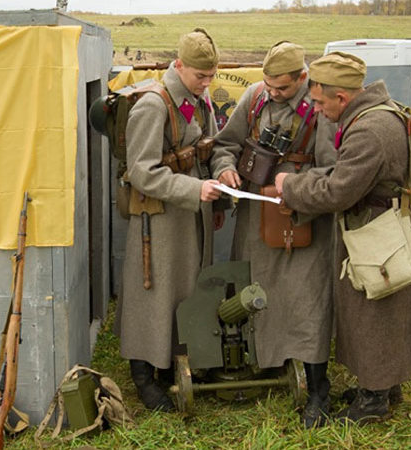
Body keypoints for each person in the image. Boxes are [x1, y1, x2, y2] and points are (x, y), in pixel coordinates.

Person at [274, 52, 411, 424]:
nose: (318, 109)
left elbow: (338, 192)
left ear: (341, 98)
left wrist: (290, 186)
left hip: (378, 234)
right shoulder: (381, 112)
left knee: (373, 314)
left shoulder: (368, 131)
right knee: (387, 312)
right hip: (387, 226)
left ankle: (373, 401)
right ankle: (385, 386)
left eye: (321, 102)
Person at [209, 41, 337, 428]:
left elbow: (334, 172)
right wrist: (224, 169)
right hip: (254, 215)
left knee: (307, 299)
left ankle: (318, 388)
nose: (273, 94)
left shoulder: (321, 111)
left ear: (303, 77)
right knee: (254, 289)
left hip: (303, 218)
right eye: (269, 86)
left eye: (282, 88)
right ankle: (262, 363)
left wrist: (292, 186)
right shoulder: (254, 98)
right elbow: (225, 145)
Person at [116, 28, 222, 412]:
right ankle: (144, 373)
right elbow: (141, 172)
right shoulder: (153, 106)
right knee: (154, 294)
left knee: (185, 287)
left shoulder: (200, 99)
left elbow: (211, 146)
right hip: (158, 217)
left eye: (211, 76)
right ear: (179, 66)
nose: (207, 83)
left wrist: (216, 184)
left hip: (191, 211)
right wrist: (193, 191)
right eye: (200, 76)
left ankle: (172, 362)